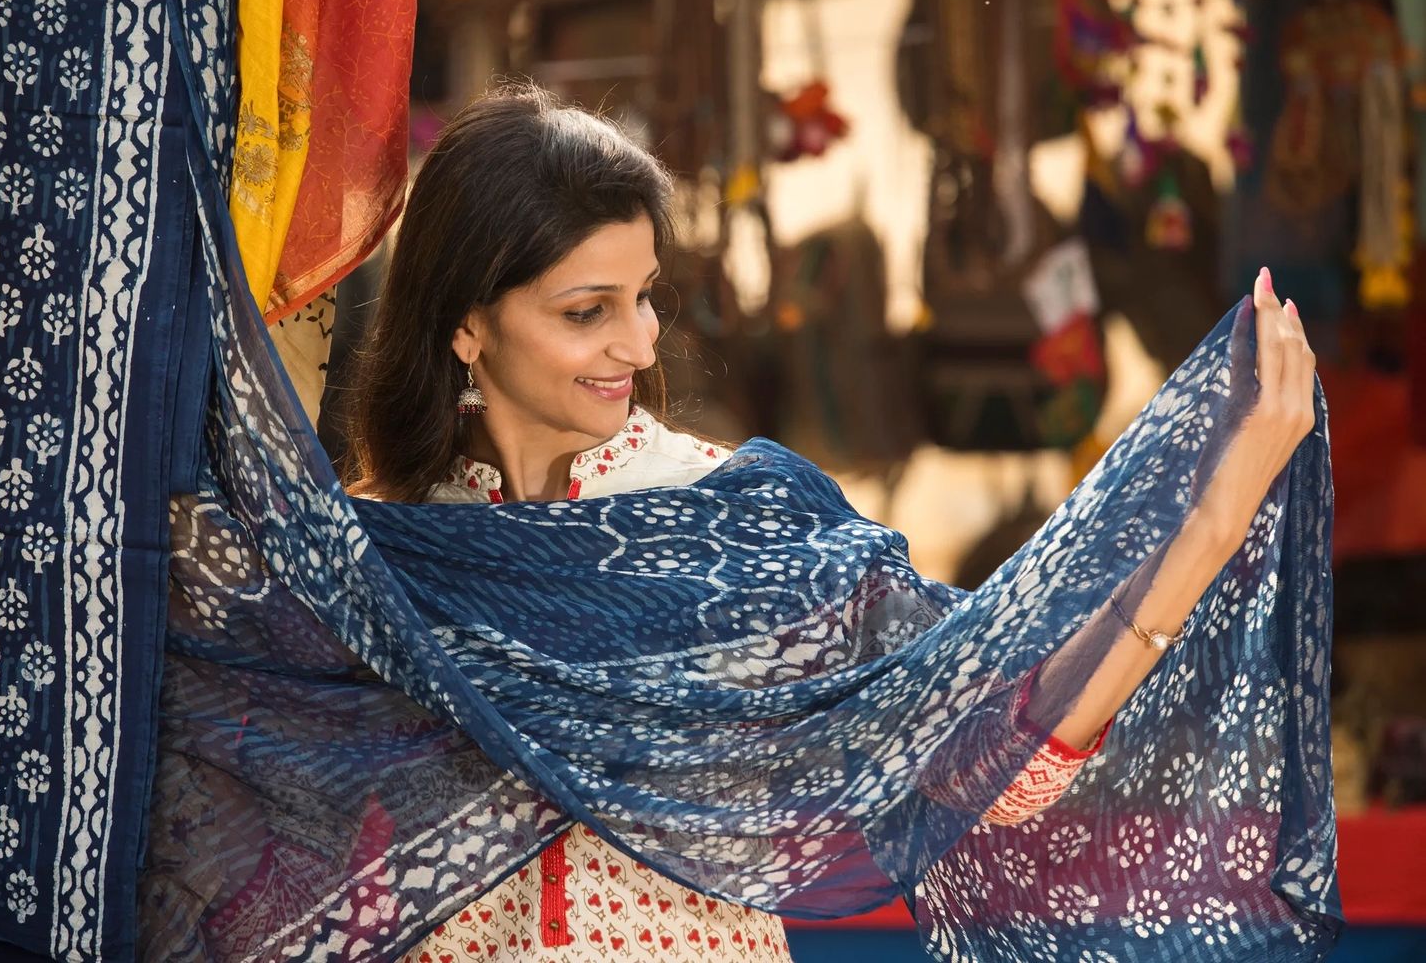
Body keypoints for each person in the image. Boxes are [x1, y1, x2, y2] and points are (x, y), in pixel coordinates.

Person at [340, 83, 1321, 962]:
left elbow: (989, 761)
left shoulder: (731, 521)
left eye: (643, 297)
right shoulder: (372, 555)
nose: (638, 344)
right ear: (468, 323)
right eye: (588, 311)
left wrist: (1215, 516)